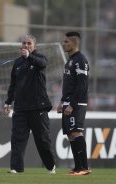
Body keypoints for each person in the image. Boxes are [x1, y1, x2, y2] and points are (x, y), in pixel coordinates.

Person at [4, 34, 56, 174]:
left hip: (38, 106)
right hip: (20, 108)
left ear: (34, 46)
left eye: (29, 43)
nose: (26, 46)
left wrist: (29, 56)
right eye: (24, 43)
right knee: (17, 139)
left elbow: (42, 64)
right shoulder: (18, 63)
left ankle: (50, 166)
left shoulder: (39, 58)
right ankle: (16, 168)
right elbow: (13, 84)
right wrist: (8, 102)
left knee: (42, 139)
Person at [57, 32, 91, 175]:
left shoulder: (80, 60)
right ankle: (78, 167)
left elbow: (82, 85)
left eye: (66, 42)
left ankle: (84, 167)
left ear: (74, 43)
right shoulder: (70, 60)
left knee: (76, 132)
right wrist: (62, 101)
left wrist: (72, 104)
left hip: (77, 103)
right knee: (71, 134)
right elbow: (69, 85)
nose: (63, 44)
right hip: (68, 102)